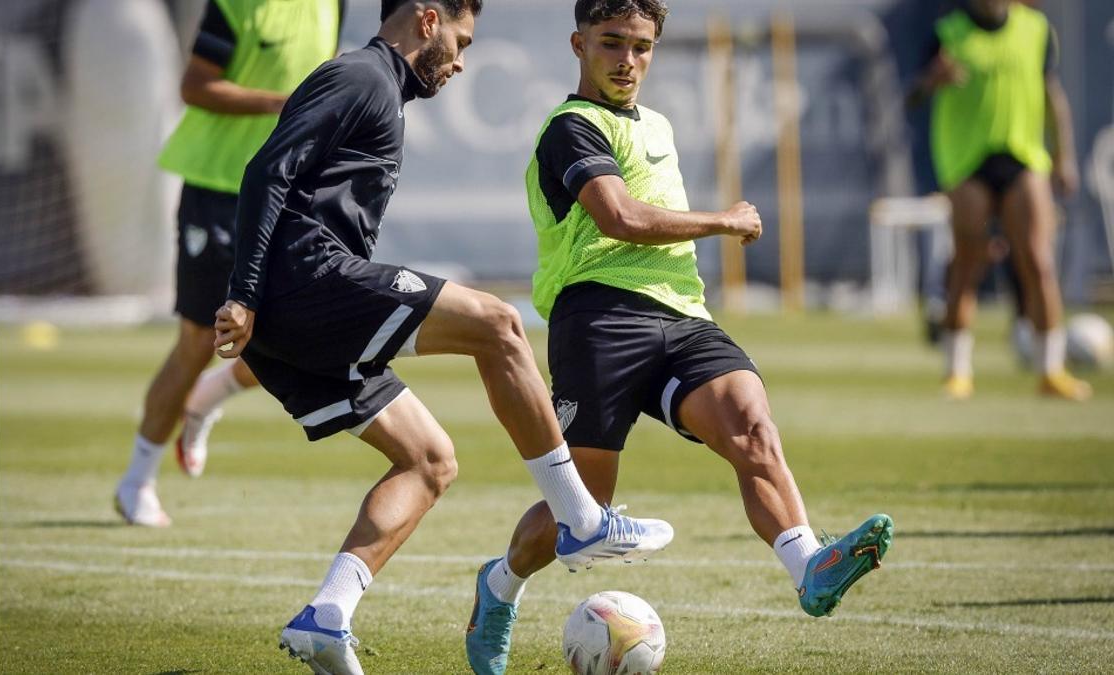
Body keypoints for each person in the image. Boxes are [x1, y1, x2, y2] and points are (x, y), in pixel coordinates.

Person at [210, 1, 675, 672]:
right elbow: (266, 171)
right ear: (428, 21)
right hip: (304, 282)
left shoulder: (382, 92)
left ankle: (326, 616)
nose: (459, 61)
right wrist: (244, 293)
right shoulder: (360, 76)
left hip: (296, 314)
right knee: (500, 324)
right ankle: (579, 517)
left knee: (429, 461)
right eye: (461, 40)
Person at [463, 2, 894, 672]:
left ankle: (809, 565)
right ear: (578, 43)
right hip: (597, 315)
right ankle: (499, 585)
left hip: (683, 315)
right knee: (585, 507)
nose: (626, 61)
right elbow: (620, 217)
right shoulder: (571, 127)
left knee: (752, 425)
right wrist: (724, 220)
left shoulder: (657, 124)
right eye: (611, 43)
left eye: (640, 47)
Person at [115, 0, 346, 527]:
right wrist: (283, 103)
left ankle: (208, 397)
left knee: (300, 332)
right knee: (200, 340)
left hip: (287, 192)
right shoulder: (236, 5)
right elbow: (195, 86)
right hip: (218, 190)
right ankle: (136, 481)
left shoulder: (333, 3)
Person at [908, 0, 1090, 401]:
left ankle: (1051, 370)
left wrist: (1065, 156)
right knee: (968, 260)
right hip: (966, 160)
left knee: (1038, 261)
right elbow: (913, 95)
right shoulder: (949, 32)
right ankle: (957, 371)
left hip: (1023, 156)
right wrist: (932, 79)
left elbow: (1052, 93)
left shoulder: (1035, 29)